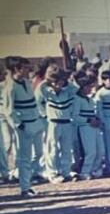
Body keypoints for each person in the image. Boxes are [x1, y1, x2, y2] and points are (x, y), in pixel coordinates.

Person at [7, 56, 43, 195]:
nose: (29, 70)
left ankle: (25, 176)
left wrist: (38, 119)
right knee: (25, 157)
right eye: (26, 68)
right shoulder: (10, 87)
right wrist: (20, 125)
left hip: (35, 123)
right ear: (17, 69)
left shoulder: (27, 82)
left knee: (39, 153)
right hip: (24, 126)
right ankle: (25, 187)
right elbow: (9, 111)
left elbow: (33, 102)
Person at [35, 65, 77, 183]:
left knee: (67, 149)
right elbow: (38, 102)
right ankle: (52, 174)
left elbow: (76, 90)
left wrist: (66, 82)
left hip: (67, 122)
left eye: (60, 82)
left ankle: (66, 172)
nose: (58, 85)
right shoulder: (44, 89)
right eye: (55, 82)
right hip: (52, 122)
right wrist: (44, 115)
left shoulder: (68, 89)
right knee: (52, 149)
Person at [74, 76, 103, 180]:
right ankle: (85, 171)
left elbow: (92, 112)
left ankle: (94, 169)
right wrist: (89, 121)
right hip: (84, 127)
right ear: (82, 87)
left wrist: (96, 119)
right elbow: (75, 116)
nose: (90, 88)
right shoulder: (77, 99)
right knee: (90, 151)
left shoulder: (89, 99)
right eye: (88, 86)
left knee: (100, 150)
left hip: (94, 126)